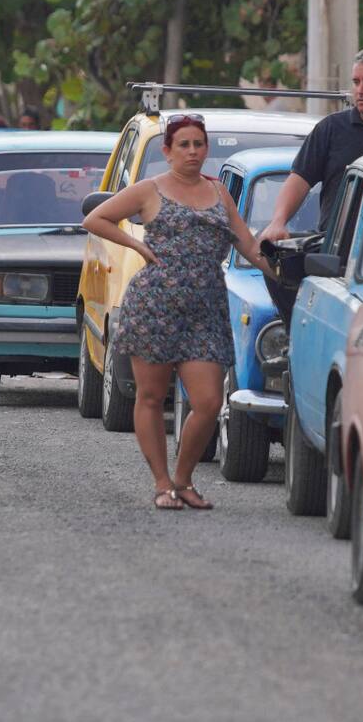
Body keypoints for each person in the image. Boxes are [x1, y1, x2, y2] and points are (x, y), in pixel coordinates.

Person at [82, 114, 278, 510]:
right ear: (168, 151)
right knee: (151, 397)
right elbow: (95, 218)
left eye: (198, 145)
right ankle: (161, 483)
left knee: (207, 402)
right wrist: (136, 246)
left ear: (206, 149)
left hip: (205, 307)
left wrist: (282, 271)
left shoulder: (220, 193)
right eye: (184, 145)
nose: (192, 152)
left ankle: (184, 479)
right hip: (154, 306)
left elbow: (248, 245)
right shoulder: (148, 189)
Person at [258, 46, 363, 325]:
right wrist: (277, 221)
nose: (360, 90)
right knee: (277, 260)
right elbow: (299, 179)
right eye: (356, 82)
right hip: (336, 247)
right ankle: (295, 339)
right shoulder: (331, 129)